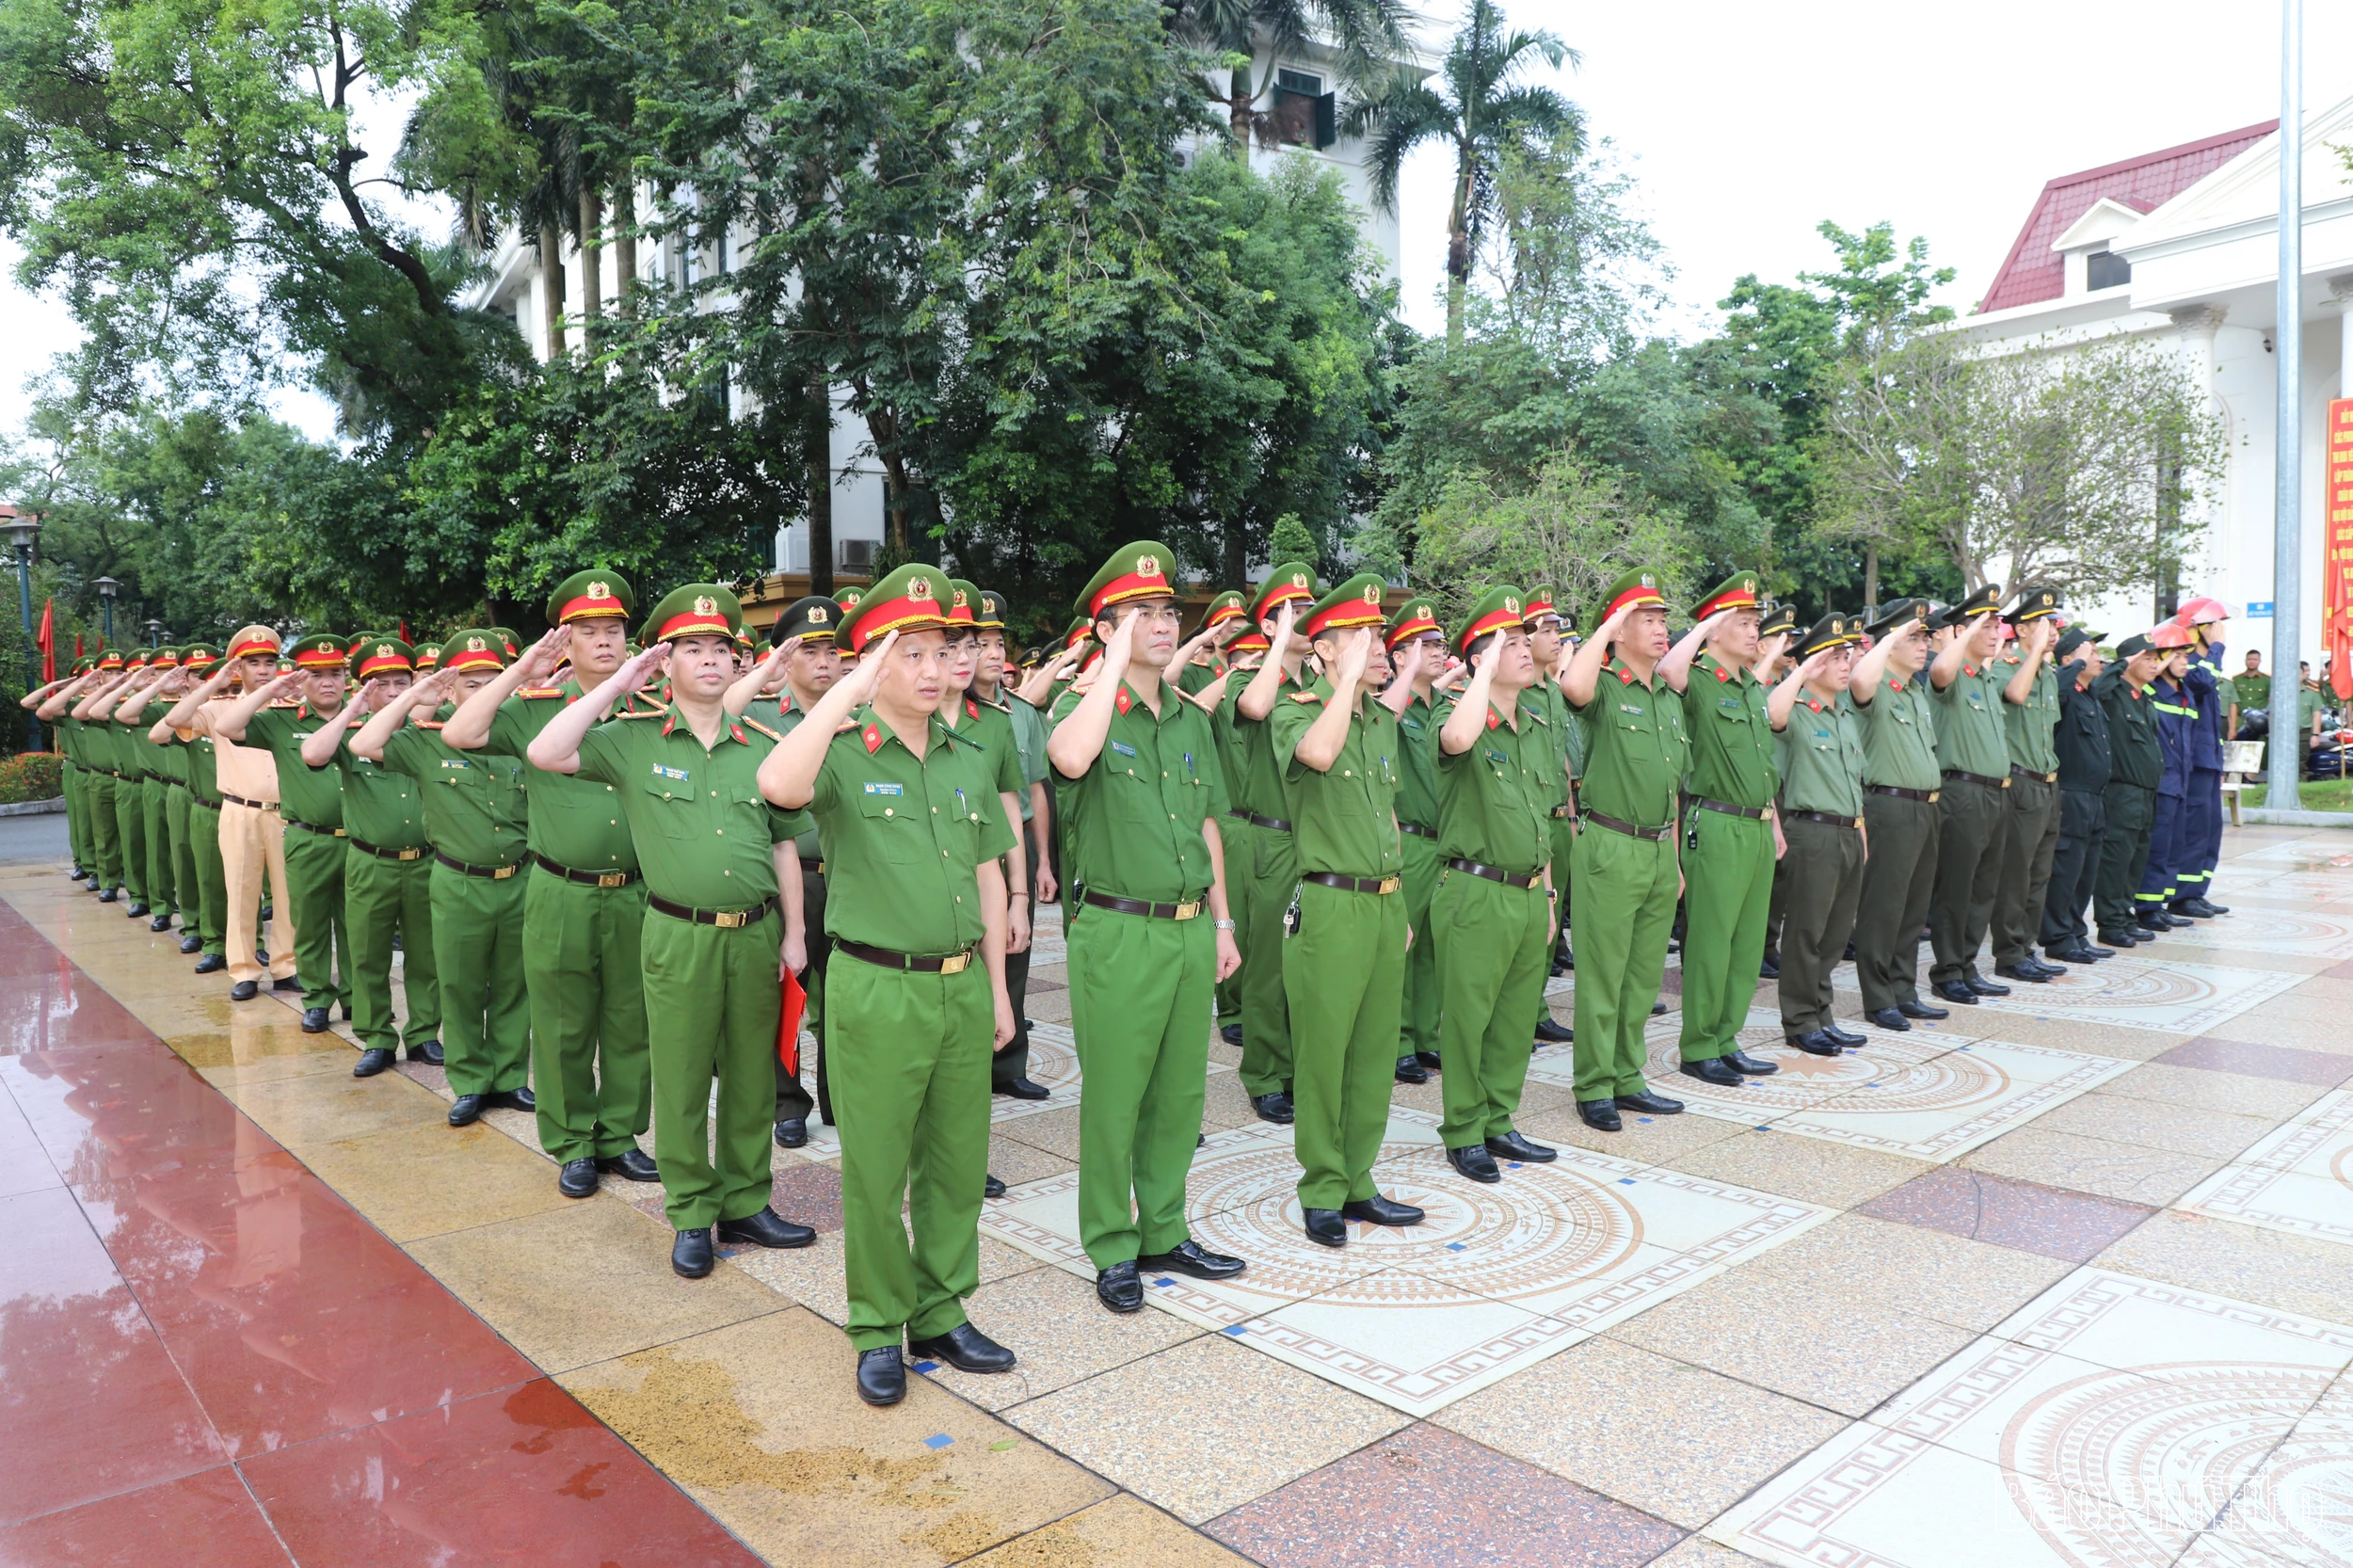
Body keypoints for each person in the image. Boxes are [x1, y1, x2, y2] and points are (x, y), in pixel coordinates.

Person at [756, 565, 1018, 1407]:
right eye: (910, 654)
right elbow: (778, 787)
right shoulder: (836, 754)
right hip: (875, 988)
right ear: (871, 665)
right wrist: (851, 693)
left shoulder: (967, 754)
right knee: (875, 1170)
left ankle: (941, 1310)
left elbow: (984, 869)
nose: (936, 669)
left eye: (943, 651)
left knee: (954, 1162)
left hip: (960, 987)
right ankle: (876, 1324)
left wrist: (1000, 991)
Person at [531, 584, 822, 1282]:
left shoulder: (763, 744)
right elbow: (546, 751)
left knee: (754, 1074)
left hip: (755, 934)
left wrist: (795, 933)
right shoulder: (630, 742)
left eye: (721, 647)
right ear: (665, 664)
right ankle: (691, 1211)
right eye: (691, 648)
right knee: (684, 1078)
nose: (711, 660)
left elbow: (785, 844)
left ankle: (747, 1201)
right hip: (677, 934)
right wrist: (617, 686)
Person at [1048, 541, 1248, 1310]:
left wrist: (1223, 923)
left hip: (1192, 926)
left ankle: (1165, 1226)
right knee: (1116, 1096)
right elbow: (1068, 760)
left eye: (1167, 613)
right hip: (1119, 929)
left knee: (1178, 1094)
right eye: (1142, 615)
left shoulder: (1190, 720)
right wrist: (1111, 671)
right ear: (1105, 630)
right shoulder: (1082, 710)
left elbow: (1205, 829)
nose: (1163, 625)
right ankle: (1111, 1243)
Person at [445, 570, 665, 1200]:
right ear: (565, 642)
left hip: (637, 891)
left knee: (631, 1019)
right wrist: (522, 670)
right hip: (561, 888)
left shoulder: (655, 709)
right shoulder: (536, 708)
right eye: (587, 632)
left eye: (614, 630)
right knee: (565, 1021)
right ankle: (572, 1142)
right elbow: (461, 733)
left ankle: (620, 1135)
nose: (604, 642)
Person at [1269, 573, 1422, 1242]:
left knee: (1373, 1050)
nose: (1374, 644)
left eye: (1376, 634)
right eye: (1357, 635)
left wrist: (1404, 901)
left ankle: (1361, 1179)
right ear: (1323, 650)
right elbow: (1320, 755)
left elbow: (1387, 816)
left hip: (1385, 903)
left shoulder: (1380, 722)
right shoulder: (1296, 709)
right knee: (1326, 1053)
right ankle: (1323, 1186)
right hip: (1330, 904)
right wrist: (1344, 684)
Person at [354, 631, 536, 1126]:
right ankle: (471, 1081)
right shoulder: (425, 740)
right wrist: (414, 697)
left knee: (513, 984)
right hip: (459, 881)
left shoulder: (522, 734)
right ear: (451, 690)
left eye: (492, 682)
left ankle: (510, 1076)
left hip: (520, 877)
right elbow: (364, 741)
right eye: (470, 683)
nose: (482, 692)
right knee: (460, 984)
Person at [1430, 587, 1561, 1182]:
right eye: (1508, 644)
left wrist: (1551, 892)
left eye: (1523, 640)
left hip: (1531, 890)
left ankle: (1499, 1118)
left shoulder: (1534, 724)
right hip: (1475, 889)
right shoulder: (1453, 713)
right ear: (1480, 658)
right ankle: (1463, 1129)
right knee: (1468, 1017)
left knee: (1514, 1018)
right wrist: (1479, 675)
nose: (1525, 650)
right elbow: (1456, 741)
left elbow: (1544, 814)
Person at [1561, 571, 1690, 1132]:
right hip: (1610, 844)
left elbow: (1673, 780)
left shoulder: (1666, 694)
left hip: (1660, 848)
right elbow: (1571, 686)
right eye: (1649, 620)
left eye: (1663, 620)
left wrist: (1677, 861)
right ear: (1617, 629)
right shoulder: (1605, 687)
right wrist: (1610, 622)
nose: (1662, 630)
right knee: (1603, 975)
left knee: (1643, 975)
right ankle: (1593, 1085)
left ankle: (1628, 1075)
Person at [1664, 572, 1786, 1085]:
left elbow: (1761, 762)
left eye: (1756, 621)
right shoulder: (1700, 678)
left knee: (1747, 942)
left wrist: (1774, 821)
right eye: (1743, 621)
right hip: (1714, 822)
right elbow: (1670, 669)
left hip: (1757, 825)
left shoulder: (1753, 686)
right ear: (1714, 628)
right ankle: (1698, 1047)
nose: (1755, 630)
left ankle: (1726, 1038)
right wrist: (1707, 625)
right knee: (1712, 940)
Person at [729, 595, 842, 1144]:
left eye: (832, 651)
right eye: (810, 651)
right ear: (786, 657)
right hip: (789, 875)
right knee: (789, 992)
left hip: (849, 874)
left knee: (843, 994)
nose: (824, 662)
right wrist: (759, 676)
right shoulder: (760, 714)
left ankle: (841, 1097)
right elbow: (715, 711)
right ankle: (787, 1104)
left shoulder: (860, 712)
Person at [302, 638, 443, 1073]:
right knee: (367, 954)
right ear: (365, 690)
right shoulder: (349, 734)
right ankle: (377, 1036)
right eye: (383, 686)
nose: (396, 692)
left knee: (426, 954)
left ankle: (422, 1033)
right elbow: (313, 753)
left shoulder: (431, 730)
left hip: (424, 859)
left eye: (403, 682)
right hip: (370, 860)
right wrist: (352, 709)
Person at [214, 635, 359, 1032]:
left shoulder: (366, 718)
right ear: (301, 680)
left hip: (360, 841)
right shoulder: (282, 721)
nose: (327, 682)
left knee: (356, 927)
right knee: (308, 924)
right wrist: (275, 688)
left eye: (336, 674)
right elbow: (227, 726)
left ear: (347, 678)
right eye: (316, 675)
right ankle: (317, 999)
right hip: (308, 838)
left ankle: (355, 997)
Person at [160, 628, 299, 1001]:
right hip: (239, 811)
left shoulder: (291, 708)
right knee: (240, 892)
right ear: (239, 669)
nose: (264, 670)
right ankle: (244, 970)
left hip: (286, 814)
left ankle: (286, 965)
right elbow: (175, 720)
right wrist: (214, 683)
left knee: (289, 896)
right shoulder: (222, 707)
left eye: (270, 662)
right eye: (253, 663)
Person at [1228, 562, 1321, 1125]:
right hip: (1272, 841)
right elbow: (1256, 709)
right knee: (1268, 966)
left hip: (1319, 842)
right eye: (1293, 613)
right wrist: (1280, 644)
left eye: (1309, 611)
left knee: (1309, 965)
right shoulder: (1248, 679)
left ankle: (1297, 1069)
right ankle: (1264, 1074)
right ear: (1268, 627)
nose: (1307, 621)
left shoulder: (1316, 688)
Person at [1847, 600, 1947, 1033]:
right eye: (1914, 637)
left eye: (1926, 637)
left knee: (1913, 906)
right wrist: (1888, 636)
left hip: (1926, 807)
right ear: (1887, 642)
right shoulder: (1874, 683)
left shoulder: (1916, 689)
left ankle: (1904, 988)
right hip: (1888, 806)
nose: (1923, 645)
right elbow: (1859, 679)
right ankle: (1878, 996)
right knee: (1883, 906)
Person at [1768, 613, 1867, 1053]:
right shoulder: (1798, 712)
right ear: (1813, 664)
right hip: (1812, 832)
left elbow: (1854, 781)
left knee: (1835, 932)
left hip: (1848, 832)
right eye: (1836, 657)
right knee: (1806, 932)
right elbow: (1771, 714)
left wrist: (1861, 830)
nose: (1846, 664)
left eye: (1848, 655)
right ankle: (1800, 1019)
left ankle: (1822, 1013)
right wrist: (1803, 669)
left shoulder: (1844, 715)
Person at [1924, 585, 2015, 1008]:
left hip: (1996, 794)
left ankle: (1966, 964)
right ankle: (1947, 971)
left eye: (1997, 625)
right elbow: (1940, 670)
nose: (1996, 632)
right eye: (1987, 626)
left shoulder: (1987, 677)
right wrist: (1968, 627)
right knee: (1957, 888)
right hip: (1962, 792)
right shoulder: (1951, 674)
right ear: (1962, 630)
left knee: (1983, 888)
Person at [1385, 595, 1447, 1085]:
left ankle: (1427, 1035)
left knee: (1433, 946)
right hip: (1407, 840)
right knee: (1402, 949)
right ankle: (1400, 1041)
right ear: (1398, 656)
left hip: (1446, 843)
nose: (1437, 649)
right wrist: (1404, 674)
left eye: (1440, 642)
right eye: (1423, 643)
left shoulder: (1449, 707)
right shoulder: (1390, 705)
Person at [1989, 588, 2067, 984]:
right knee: (2016, 874)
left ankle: (2027, 947)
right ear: (2021, 629)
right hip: (2020, 780)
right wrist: (2035, 652)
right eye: (2042, 624)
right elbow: (2015, 695)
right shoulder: (2008, 666)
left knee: (2039, 873)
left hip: (2048, 781)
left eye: (2053, 624)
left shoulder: (2049, 673)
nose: (2051, 631)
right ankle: (2008, 952)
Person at [1518, 588, 1578, 1045]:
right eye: (1546, 630)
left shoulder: (1554, 692)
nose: (1555, 637)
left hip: (1561, 818)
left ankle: (1536, 1006)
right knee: (1535, 919)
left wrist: (1572, 816)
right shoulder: (1518, 693)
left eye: (1557, 629)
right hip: (1531, 820)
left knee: (1551, 920)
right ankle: (1524, 1009)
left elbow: (1561, 762)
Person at [2039, 627, 2115, 965]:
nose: (2097, 657)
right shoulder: (2064, 689)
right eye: (2089, 651)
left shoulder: (2090, 695)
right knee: (2065, 871)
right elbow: (2054, 691)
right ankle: (2056, 937)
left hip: (2095, 797)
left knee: (2087, 871)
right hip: (2071, 794)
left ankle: (2075, 933)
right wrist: (2071, 664)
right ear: (2069, 659)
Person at [2093, 633, 2167, 949]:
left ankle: (2124, 915)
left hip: (2146, 793)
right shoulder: (2113, 693)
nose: (2154, 664)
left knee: (2136, 857)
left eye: (2155, 659)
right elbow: (2097, 687)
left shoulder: (2143, 697)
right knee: (2116, 859)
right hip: (2122, 792)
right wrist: (2122, 663)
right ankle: (2110, 922)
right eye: (2147, 658)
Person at [2170, 599, 2232, 920]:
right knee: (2193, 829)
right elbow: (2201, 684)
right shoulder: (2188, 661)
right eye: (2214, 625)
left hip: (2209, 759)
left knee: (2210, 829)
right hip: (2193, 761)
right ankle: (2183, 895)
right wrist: (2217, 647)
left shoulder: (2207, 662)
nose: (2220, 630)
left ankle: (2198, 891)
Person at [2134, 625, 2198, 932]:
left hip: (2181, 783)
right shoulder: (2150, 691)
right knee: (2156, 848)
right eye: (2178, 655)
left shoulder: (2186, 695)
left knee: (2174, 848)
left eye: (2186, 656)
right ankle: (2146, 907)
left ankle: (2162, 904)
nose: (2185, 662)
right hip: (2161, 784)